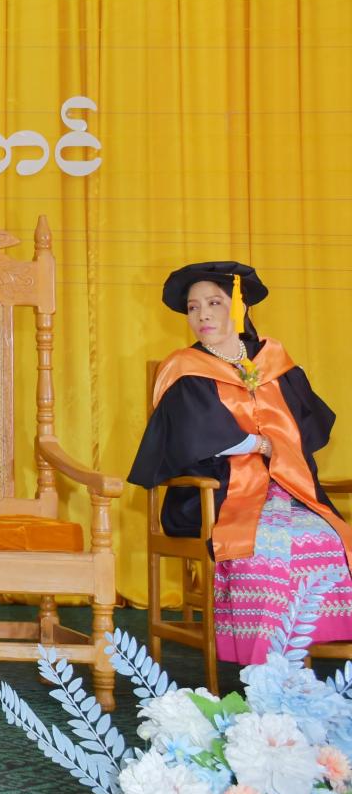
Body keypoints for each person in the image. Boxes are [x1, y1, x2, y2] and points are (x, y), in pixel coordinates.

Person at [130, 261, 351, 664]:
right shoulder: (185, 368)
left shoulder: (274, 361)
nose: (203, 315)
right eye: (193, 307)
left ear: (239, 306)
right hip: (215, 494)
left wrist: (276, 445)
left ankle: (305, 647)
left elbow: (306, 427)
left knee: (326, 538)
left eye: (214, 302)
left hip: (284, 487)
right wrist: (262, 443)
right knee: (266, 545)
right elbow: (195, 435)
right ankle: (263, 660)